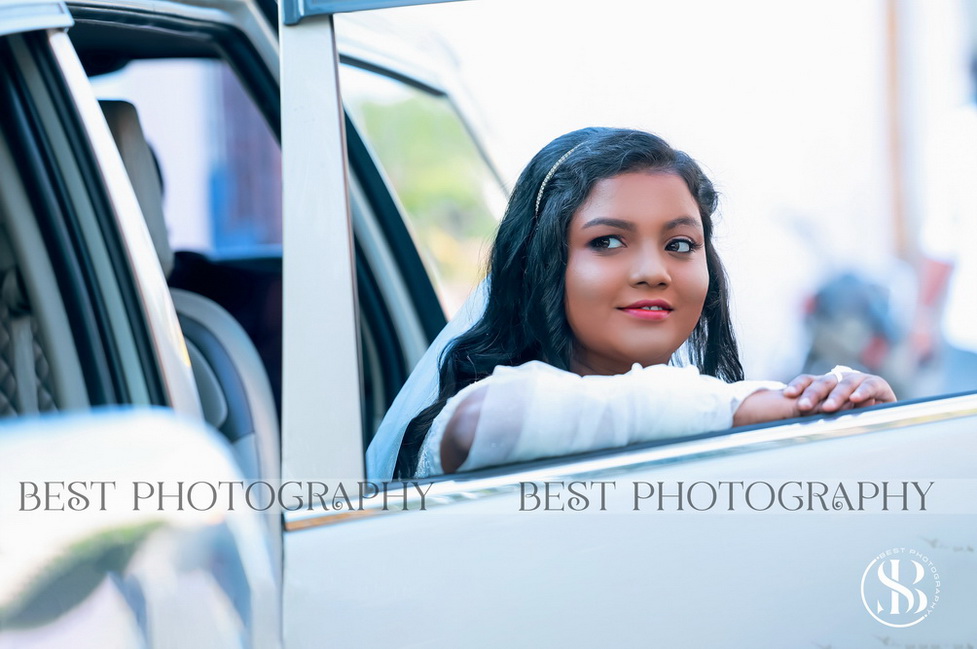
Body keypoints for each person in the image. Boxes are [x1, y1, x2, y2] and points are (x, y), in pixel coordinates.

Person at [366, 127, 896, 480]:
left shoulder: (719, 431)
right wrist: (761, 404)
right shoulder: (475, 418)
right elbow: (502, 418)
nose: (653, 271)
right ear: (538, 264)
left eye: (680, 245)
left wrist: (845, 417)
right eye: (607, 241)